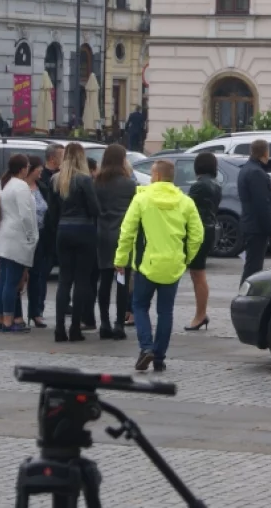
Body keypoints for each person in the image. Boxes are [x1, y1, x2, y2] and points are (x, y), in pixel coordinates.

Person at [114, 160, 203, 372]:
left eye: (152, 174)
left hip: (146, 264)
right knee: (166, 312)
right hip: (172, 266)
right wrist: (186, 258)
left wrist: (120, 260)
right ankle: (160, 358)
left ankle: (146, 347)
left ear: (158, 176)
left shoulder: (141, 199)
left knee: (140, 306)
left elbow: (127, 231)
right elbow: (197, 236)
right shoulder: (186, 201)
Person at [51, 142, 101, 342]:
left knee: (64, 280)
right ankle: (75, 328)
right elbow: (95, 209)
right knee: (81, 280)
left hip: (63, 231)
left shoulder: (56, 179)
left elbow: (52, 213)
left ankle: (59, 328)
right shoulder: (84, 180)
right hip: (84, 231)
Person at [0, 154, 39, 333]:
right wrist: (32, 236)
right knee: (12, 281)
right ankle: (9, 321)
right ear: (23, 168)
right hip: (16, 237)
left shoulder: (2, 183)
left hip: (2, 236)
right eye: (28, 166)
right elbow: (25, 215)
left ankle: (0, 318)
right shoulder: (21, 186)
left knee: (2, 279)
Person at [94, 144, 137, 340]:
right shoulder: (129, 184)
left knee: (104, 280)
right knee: (122, 280)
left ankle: (104, 322)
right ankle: (119, 324)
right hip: (122, 236)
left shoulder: (97, 182)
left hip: (102, 233)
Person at [185, 152, 222, 331]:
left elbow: (188, 209)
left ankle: (200, 315)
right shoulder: (216, 185)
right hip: (209, 230)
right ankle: (200, 314)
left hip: (199, 231)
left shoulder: (199, 186)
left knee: (198, 275)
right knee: (198, 274)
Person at [237, 139, 271, 284]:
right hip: (257, 228)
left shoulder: (248, 169)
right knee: (253, 269)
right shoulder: (256, 172)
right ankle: (245, 299)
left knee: (252, 266)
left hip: (251, 225)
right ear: (265, 153)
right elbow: (263, 205)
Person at [26, 156, 58, 329]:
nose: (41, 171)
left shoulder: (42, 187)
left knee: (39, 276)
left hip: (43, 237)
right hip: (25, 238)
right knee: (21, 276)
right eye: (38, 168)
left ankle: (37, 312)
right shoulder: (21, 188)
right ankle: (15, 315)